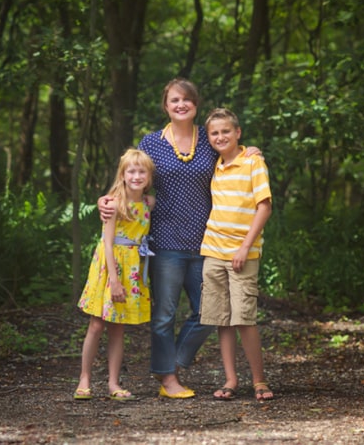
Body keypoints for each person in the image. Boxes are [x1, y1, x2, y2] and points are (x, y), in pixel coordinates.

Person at [99, 78, 259, 399]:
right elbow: (132, 177)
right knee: (164, 315)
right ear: (166, 105)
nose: (181, 104)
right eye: (174, 100)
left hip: (208, 240)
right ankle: (168, 380)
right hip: (166, 240)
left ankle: (171, 362)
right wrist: (108, 199)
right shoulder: (152, 143)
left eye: (186, 99)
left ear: (195, 105)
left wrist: (249, 152)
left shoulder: (208, 141)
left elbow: (232, 154)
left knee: (209, 312)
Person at [199, 107, 274, 402]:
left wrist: (244, 247)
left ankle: (259, 380)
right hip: (213, 251)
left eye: (226, 131)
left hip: (243, 253)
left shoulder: (253, 163)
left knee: (244, 318)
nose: (220, 137)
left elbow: (264, 206)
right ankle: (230, 379)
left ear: (238, 133)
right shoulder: (215, 165)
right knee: (222, 318)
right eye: (215, 133)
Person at [75, 148, 156, 401]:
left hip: (133, 267)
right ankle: (84, 379)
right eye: (131, 171)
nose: (136, 175)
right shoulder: (113, 203)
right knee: (97, 324)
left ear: (149, 177)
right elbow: (108, 243)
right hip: (109, 267)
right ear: (122, 175)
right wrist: (114, 280)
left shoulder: (148, 203)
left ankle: (113, 383)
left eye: (142, 171)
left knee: (118, 327)